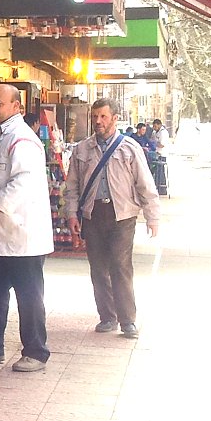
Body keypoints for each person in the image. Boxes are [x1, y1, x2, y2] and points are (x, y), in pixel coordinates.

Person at [0, 84, 53, 372]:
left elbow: (24, 181)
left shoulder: (22, 139)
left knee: (29, 296)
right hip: (0, 236)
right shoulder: (2, 136)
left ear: (16, 107)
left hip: (22, 237)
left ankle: (36, 352)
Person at [64, 99, 160, 339]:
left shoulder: (129, 148)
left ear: (115, 118)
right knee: (98, 268)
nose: (98, 121)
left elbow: (145, 183)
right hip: (93, 214)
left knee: (120, 265)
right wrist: (71, 214)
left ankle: (127, 320)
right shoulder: (82, 150)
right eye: (95, 116)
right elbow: (72, 186)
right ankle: (107, 316)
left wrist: (152, 217)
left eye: (103, 117)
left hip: (122, 215)